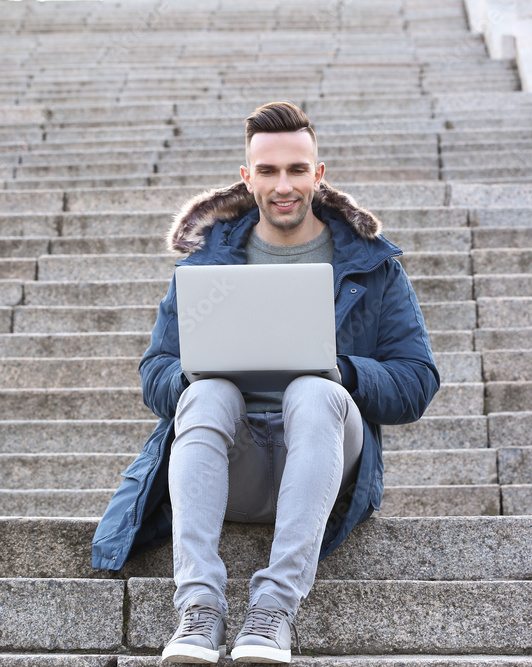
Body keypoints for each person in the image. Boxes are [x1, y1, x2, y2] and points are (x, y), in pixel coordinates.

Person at [91, 101, 439, 663]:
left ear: (318, 175)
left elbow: (417, 381)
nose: (284, 185)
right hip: (236, 464)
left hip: (326, 459)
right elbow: (154, 375)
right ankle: (199, 609)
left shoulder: (374, 266)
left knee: (315, 390)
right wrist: (199, 368)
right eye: (269, 170)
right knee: (206, 393)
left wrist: (343, 371)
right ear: (247, 176)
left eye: (297, 170)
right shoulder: (206, 265)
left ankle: (273, 608)